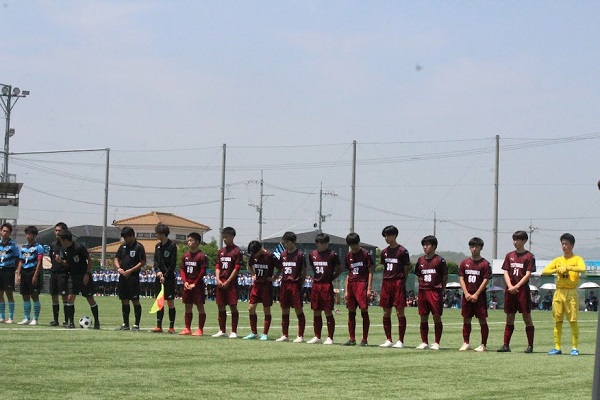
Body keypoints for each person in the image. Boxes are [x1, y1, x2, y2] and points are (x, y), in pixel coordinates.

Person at [541, 233, 586, 356]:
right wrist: (557, 269)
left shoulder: (577, 259)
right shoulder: (558, 260)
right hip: (559, 292)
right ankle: (557, 347)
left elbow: (582, 268)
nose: (564, 246)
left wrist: (568, 267)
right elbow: (545, 271)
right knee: (557, 320)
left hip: (571, 292)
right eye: (563, 244)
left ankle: (575, 347)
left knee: (573, 320)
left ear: (572, 245)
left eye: (566, 244)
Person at [497, 230, 536, 353]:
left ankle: (530, 345)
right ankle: (505, 345)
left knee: (527, 317)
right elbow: (506, 271)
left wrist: (517, 286)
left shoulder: (529, 256)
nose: (515, 242)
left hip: (522, 290)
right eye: (514, 239)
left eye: (518, 239)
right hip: (510, 290)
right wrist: (509, 286)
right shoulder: (509, 255)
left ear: (524, 241)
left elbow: (528, 274)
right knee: (509, 317)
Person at [57, 230, 101, 329]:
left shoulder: (79, 247)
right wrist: (61, 261)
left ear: (65, 240)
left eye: (61, 240)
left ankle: (97, 322)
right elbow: (68, 263)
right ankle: (71, 323)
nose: (60, 242)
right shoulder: (65, 250)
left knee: (90, 299)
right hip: (72, 276)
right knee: (70, 298)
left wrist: (87, 274)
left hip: (83, 276)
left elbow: (89, 260)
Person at [378, 225, 411, 349]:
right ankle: (388, 339)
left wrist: (402, 282)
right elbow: (384, 268)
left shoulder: (402, 251)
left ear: (395, 235)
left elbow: (406, 269)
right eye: (385, 236)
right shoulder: (384, 252)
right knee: (386, 312)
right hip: (387, 283)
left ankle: (400, 340)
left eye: (388, 235)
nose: (386, 238)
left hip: (398, 282)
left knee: (399, 311)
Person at [413, 235, 448, 350]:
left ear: (434, 246)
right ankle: (424, 342)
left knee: (436, 317)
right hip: (423, 291)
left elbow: (445, 276)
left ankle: (437, 342)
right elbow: (419, 276)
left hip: (435, 291)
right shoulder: (420, 260)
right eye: (424, 245)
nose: (425, 247)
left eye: (427, 245)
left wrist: (441, 289)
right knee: (423, 317)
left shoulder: (439, 260)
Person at [307, 233, 342, 345]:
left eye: (325, 243)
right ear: (316, 243)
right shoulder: (312, 254)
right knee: (316, 311)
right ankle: (317, 336)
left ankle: (330, 337)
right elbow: (313, 267)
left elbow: (339, 269)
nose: (323, 245)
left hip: (326, 285)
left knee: (328, 311)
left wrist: (331, 278)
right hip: (316, 285)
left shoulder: (332, 254)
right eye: (321, 243)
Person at [458, 237, 492, 352]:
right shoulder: (464, 263)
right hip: (467, 296)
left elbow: (485, 280)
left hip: (479, 296)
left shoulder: (485, 264)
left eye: (476, 246)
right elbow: (461, 278)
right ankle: (466, 342)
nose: (474, 249)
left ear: (481, 248)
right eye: (472, 246)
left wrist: (477, 294)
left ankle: (483, 344)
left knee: (482, 320)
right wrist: (466, 293)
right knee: (466, 319)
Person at [275, 232, 307, 343]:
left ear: (293, 242)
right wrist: (275, 277)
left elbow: (304, 270)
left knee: (298, 309)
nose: (285, 244)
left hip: (295, 284)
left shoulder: (300, 255)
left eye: (287, 242)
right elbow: (280, 268)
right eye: (284, 242)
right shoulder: (283, 254)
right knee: (284, 309)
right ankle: (285, 335)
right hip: (284, 284)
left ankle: (300, 335)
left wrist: (301, 283)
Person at [243, 240, 278, 341]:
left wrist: (274, 277)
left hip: (266, 286)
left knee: (266, 309)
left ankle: (265, 334)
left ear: (260, 249)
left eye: (255, 253)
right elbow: (249, 265)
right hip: (256, 285)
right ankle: (253, 332)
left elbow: (280, 267)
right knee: (251, 308)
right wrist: (253, 274)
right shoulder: (253, 256)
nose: (254, 255)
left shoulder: (270, 256)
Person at [343, 232, 373, 347]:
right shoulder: (348, 256)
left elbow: (370, 272)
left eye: (355, 244)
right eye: (351, 245)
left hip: (361, 284)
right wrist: (346, 290)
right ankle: (352, 338)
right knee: (351, 312)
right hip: (351, 284)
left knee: (364, 311)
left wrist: (369, 288)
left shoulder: (365, 254)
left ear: (358, 243)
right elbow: (348, 274)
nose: (353, 247)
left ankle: (364, 339)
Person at [212, 227, 242, 338]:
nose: (225, 239)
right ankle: (222, 330)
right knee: (220, 306)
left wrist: (228, 281)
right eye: (223, 237)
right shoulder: (221, 251)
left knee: (233, 306)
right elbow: (218, 266)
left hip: (231, 284)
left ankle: (234, 331)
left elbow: (237, 267)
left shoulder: (237, 251)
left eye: (227, 237)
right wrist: (218, 279)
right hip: (221, 282)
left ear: (232, 237)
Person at [114, 227, 146, 331]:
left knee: (135, 300)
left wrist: (131, 270)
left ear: (132, 235)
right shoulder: (122, 246)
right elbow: (116, 258)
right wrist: (119, 268)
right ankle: (125, 324)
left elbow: (142, 262)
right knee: (124, 300)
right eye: (123, 237)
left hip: (133, 278)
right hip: (122, 277)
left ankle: (136, 324)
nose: (125, 239)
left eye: (126, 237)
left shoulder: (139, 247)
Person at [178, 232, 208, 336]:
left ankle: (200, 329)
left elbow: (202, 271)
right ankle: (187, 328)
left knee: (200, 306)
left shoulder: (201, 256)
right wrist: (185, 281)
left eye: (191, 240)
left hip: (197, 285)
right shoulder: (185, 256)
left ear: (197, 242)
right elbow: (182, 269)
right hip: (187, 284)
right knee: (188, 306)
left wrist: (195, 283)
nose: (189, 242)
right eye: (188, 240)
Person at [15, 226, 45, 325]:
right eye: (26, 234)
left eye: (30, 234)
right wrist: (18, 274)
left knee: (34, 295)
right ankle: (26, 318)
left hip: (33, 271)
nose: (28, 236)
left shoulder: (38, 247)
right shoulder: (23, 247)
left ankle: (35, 319)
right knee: (25, 295)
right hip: (24, 272)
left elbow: (39, 261)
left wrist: (36, 275)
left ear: (35, 235)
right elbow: (21, 261)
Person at [152, 223, 178, 334]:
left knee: (170, 302)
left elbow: (172, 264)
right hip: (159, 277)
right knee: (159, 302)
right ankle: (159, 326)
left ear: (162, 234)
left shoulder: (172, 246)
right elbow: (155, 261)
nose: (155, 235)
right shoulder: (157, 246)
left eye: (157, 233)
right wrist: (157, 271)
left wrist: (165, 276)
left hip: (169, 278)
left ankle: (171, 327)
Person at [0, 222, 20, 324]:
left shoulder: (13, 245)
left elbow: (18, 258)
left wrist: (15, 270)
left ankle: (11, 317)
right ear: (0, 231)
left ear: (10, 233)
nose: (5, 233)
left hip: (8, 270)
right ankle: (2, 316)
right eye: (3, 231)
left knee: (9, 294)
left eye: (7, 231)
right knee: (0, 294)